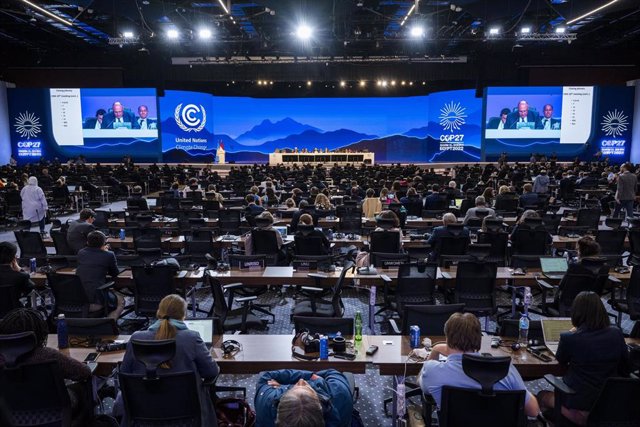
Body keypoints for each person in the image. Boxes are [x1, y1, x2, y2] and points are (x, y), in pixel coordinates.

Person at [114, 295, 219, 426]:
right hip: (186, 414)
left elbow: (125, 374)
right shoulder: (191, 338)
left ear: (159, 312)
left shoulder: (136, 338)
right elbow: (211, 373)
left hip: (144, 412)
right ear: (183, 315)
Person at [419, 312, 539, 418]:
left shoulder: (432, 371)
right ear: (479, 341)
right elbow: (533, 411)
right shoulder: (506, 370)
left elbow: (420, 383)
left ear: (447, 340)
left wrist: (435, 350)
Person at [537, 292, 629, 426]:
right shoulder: (617, 333)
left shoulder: (570, 338)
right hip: (609, 403)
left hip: (578, 403)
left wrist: (572, 333)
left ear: (576, 313)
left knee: (541, 396)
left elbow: (561, 361)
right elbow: (625, 367)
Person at [0, 308, 93, 425]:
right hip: (54, 413)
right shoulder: (48, 355)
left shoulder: (2, 359)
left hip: (11, 413)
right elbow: (84, 372)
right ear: (40, 334)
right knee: (80, 387)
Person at [254, 369, 353, 427]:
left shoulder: (266, 403)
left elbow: (265, 376)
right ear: (320, 404)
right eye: (307, 387)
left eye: (293, 387)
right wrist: (314, 377)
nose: (301, 380)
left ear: (280, 404)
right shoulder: (340, 394)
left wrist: (283, 387)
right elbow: (332, 372)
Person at [76, 231, 123, 318]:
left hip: (78, 299)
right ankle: (109, 324)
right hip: (96, 300)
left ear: (87, 242)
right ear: (104, 243)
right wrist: (105, 252)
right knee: (121, 301)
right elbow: (115, 273)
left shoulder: (81, 252)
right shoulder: (109, 255)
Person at [0, 242, 34, 313]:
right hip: (14, 317)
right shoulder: (21, 276)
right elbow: (31, 287)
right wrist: (20, 269)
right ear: (14, 259)